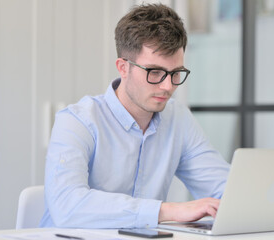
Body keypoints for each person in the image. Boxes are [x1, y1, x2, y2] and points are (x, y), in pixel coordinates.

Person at [39, 3, 230, 228]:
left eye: (176, 73)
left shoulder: (178, 119)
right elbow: (67, 207)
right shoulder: (77, 121)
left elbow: (226, 189)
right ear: (123, 67)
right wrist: (168, 210)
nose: (168, 86)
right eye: (155, 72)